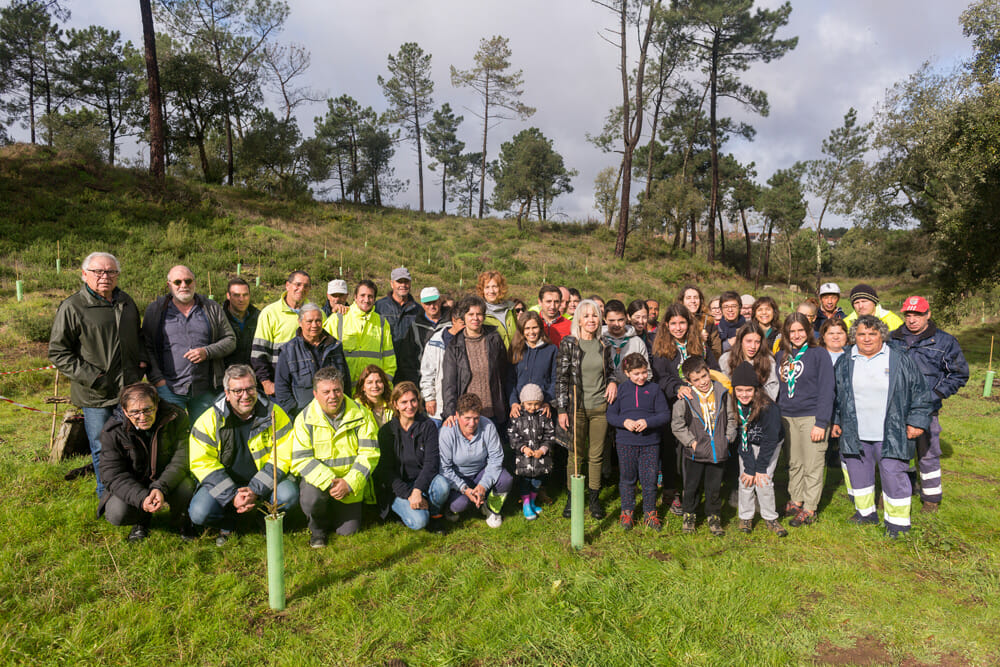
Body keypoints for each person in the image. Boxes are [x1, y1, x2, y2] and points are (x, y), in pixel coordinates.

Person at [49, 251, 147, 497]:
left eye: (111, 271)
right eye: (98, 272)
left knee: (131, 443)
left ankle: (131, 491)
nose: (105, 276)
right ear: (85, 275)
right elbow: (59, 352)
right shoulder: (73, 306)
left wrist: (141, 362)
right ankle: (106, 495)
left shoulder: (126, 301)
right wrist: (94, 378)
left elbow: (137, 336)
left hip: (128, 390)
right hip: (96, 394)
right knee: (102, 446)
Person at [832, 315, 933, 537]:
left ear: (882, 335)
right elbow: (838, 396)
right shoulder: (845, 360)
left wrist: (916, 422)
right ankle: (865, 514)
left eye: (872, 334)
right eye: (861, 334)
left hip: (892, 431)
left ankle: (897, 524)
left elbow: (921, 393)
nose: (867, 339)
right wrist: (837, 420)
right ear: (854, 337)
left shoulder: (899, 359)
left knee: (893, 474)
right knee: (858, 474)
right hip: (855, 430)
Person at [188, 365, 299, 546]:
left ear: (257, 387)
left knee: (289, 495)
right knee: (200, 512)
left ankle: (262, 519)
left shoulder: (275, 414)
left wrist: (256, 489)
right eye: (238, 390)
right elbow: (202, 463)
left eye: (250, 388)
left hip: (265, 483)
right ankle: (229, 522)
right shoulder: (208, 420)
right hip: (227, 484)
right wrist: (232, 496)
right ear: (227, 393)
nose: (245, 395)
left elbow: (283, 456)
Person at [889, 296, 968, 511]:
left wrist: (934, 395)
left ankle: (931, 499)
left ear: (928, 315)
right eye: (908, 314)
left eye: (917, 314)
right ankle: (897, 492)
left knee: (928, 453)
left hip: (927, 410)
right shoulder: (891, 339)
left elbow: (959, 374)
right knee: (895, 452)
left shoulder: (944, 341)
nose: (912, 319)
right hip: (896, 409)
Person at [291, 367, 380, 546]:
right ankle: (317, 530)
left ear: (343, 389)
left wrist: (349, 483)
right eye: (326, 392)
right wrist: (331, 482)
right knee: (311, 499)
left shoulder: (362, 415)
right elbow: (301, 459)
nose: (333, 396)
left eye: (337, 390)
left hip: (349, 485)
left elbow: (369, 454)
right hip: (319, 484)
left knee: (348, 532)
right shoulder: (304, 418)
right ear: (316, 394)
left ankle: (334, 513)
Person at [98, 383, 195, 542]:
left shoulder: (177, 417)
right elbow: (112, 475)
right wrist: (142, 497)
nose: (142, 417)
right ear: (124, 411)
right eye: (135, 412)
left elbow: (182, 459)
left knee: (186, 488)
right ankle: (140, 521)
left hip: (168, 479)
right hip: (135, 483)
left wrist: (160, 487)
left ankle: (182, 520)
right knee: (117, 513)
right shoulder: (112, 431)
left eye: (147, 410)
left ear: (156, 405)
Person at [650, 303, 719, 515]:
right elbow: (660, 377)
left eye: (682, 323)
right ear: (666, 325)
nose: (678, 328)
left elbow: (714, 370)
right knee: (673, 450)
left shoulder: (700, 346)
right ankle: (672, 491)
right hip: (673, 404)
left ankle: (694, 491)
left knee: (695, 446)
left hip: (699, 406)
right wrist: (676, 387)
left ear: (689, 324)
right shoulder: (661, 348)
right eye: (673, 323)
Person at [143, 265, 236, 421]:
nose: (184, 286)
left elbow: (230, 339)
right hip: (169, 388)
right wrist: (158, 380)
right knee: (171, 436)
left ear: (195, 282)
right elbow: (146, 346)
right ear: (169, 285)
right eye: (178, 282)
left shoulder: (211, 307)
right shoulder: (156, 310)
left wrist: (207, 352)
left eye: (188, 281)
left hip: (205, 388)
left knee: (206, 436)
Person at [555, 299, 617, 520]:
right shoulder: (569, 344)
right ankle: (574, 498)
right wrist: (562, 409)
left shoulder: (604, 344)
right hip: (576, 408)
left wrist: (612, 382)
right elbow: (561, 379)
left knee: (596, 455)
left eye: (594, 316)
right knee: (576, 455)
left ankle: (594, 498)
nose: (591, 320)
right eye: (586, 316)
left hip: (600, 407)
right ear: (579, 320)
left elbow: (610, 371)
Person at [775, 312, 834, 527]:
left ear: (808, 331)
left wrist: (821, 422)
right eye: (792, 331)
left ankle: (810, 507)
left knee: (812, 463)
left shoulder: (819, 354)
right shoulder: (781, 354)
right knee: (794, 463)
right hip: (787, 416)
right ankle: (796, 499)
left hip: (811, 416)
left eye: (801, 330)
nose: (797, 334)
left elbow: (827, 390)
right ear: (786, 334)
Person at [672, 355, 736, 537]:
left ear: (709, 372)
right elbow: (677, 425)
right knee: (691, 486)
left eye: (704, 376)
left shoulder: (722, 393)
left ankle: (714, 516)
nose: (702, 382)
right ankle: (689, 514)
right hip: (695, 452)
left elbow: (731, 418)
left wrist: (728, 437)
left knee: (714, 487)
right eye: (696, 379)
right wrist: (691, 442)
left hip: (718, 451)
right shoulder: (685, 398)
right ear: (688, 381)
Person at [606, 353, 670, 531]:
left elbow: (665, 414)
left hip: (650, 443)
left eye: (644, 372)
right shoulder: (621, 390)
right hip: (625, 442)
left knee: (649, 480)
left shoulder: (655, 389)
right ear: (627, 373)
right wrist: (623, 422)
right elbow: (611, 415)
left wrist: (648, 422)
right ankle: (627, 511)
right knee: (627, 478)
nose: (641, 377)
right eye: (636, 374)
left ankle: (650, 512)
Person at [376, 382, 450, 531]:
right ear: (395, 405)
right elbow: (386, 471)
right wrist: (410, 494)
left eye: (413, 400)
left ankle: (434, 513)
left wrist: (417, 490)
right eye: (404, 402)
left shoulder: (428, 426)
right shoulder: (386, 431)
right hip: (398, 487)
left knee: (442, 485)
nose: (409, 406)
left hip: (422, 481)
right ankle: (406, 510)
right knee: (419, 522)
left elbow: (431, 462)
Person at [438, 393, 513, 527]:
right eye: (467, 418)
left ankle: (492, 508)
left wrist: (483, 485)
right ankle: (451, 508)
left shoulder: (488, 426)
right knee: (459, 504)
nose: (472, 423)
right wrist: (464, 489)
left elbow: (496, 458)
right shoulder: (447, 432)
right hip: (458, 476)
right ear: (457, 415)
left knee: (506, 479)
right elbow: (444, 468)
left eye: (476, 418)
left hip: (481, 472)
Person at [730, 362, 787, 536]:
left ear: (756, 389)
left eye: (748, 390)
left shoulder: (769, 408)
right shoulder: (735, 405)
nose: (744, 394)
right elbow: (742, 439)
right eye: (739, 390)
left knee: (763, 481)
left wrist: (760, 468)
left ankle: (770, 517)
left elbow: (770, 440)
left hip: (769, 444)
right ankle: (746, 516)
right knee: (746, 479)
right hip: (748, 444)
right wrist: (749, 468)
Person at [441, 295, 510, 428]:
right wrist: (449, 412)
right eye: (470, 314)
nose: (475, 318)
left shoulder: (494, 339)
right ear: (464, 317)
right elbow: (449, 383)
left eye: (479, 314)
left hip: (494, 412)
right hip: (468, 416)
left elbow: (504, 373)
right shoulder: (454, 346)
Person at [274, 303, 350, 419]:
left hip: (334, 414)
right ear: (300, 322)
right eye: (309, 321)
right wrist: (295, 412)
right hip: (303, 416)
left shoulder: (334, 346)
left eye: (318, 321)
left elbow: (345, 380)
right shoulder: (288, 351)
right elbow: (281, 387)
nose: (314, 325)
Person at [325, 279, 396, 389]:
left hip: (372, 392)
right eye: (362, 295)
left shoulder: (382, 323)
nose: (366, 300)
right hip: (344, 392)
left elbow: (389, 360)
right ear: (355, 297)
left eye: (370, 296)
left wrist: (386, 386)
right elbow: (323, 356)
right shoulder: (337, 319)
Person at [251, 270, 311, 396]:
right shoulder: (270, 313)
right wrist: (266, 383)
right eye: (298, 284)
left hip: (308, 388)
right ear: (287, 285)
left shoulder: (317, 313)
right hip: (279, 387)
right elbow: (258, 353)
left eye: (306, 286)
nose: (301, 289)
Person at [507, 384, 557, 521]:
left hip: (540, 459)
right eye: (529, 404)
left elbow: (550, 435)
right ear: (522, 402)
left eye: (536, 404)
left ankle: (533, 502)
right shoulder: (517, 416)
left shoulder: (544, 416)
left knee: (537, 481)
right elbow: (512, 435)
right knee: (525, 481)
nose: (532, 407)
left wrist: (543, 450)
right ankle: (526, 504)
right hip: (523, 459)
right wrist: (523, 448)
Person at [375, 267, 422, 385]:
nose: (403, 285)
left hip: (411, 370)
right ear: (392, 283)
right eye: (399, 282)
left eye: (406, 282)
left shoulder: (419, 310)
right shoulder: (378, 307)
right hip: (386, 367)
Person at [508, 311, 558, 418]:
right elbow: (510, 380)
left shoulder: (551, 350)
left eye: (534, 327)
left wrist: (547, 402)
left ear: (540, 328)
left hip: (543, 408)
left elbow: (555, 379)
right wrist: (513, 402)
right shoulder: (515, 350)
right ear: (522, 330)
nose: (531, 332)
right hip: (520, 409)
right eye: (527, 328)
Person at [420, 309, 463, 425]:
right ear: (454, 320)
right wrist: (429, 398)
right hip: (438, 405)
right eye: (462, 322)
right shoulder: (435, 341)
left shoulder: (468, 340)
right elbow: (427, 372)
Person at [719, 323, 780, 401]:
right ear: (740, 341)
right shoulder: (726, 359)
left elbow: (772, 389)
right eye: (749, 341)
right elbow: (725, 387)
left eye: (757, 342)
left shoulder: (768, 360)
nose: (753, 346)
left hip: (760, 404)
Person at [602, 299, 649, 383]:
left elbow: (647, 372)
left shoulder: (637, 342)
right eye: (612, 320)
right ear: (605, 319)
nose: (616, 324)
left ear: (626, 318)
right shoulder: (599, 340)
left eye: (620, 320)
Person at [223, 277, 260, 369]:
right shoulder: (219, 319)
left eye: (245, 295)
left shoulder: (260, 318)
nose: (241, 299)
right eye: (236, 295)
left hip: (254, 375)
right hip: (227, 375)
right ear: (228, 296)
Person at [679, 285, 722, 359]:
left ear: (700, 300)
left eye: (696, 298)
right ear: (682, 301)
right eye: (688, 298)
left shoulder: (708, 322)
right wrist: (698, 339)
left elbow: (716, 351)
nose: (693, 301)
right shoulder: (675, 322)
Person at [477, 270, 518, 347]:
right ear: (482, 290)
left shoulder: (510, 309)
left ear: (501, 288)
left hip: (515, 357)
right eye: (487, 287)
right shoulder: (480, 312)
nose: (491, 291)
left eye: (494, 286)